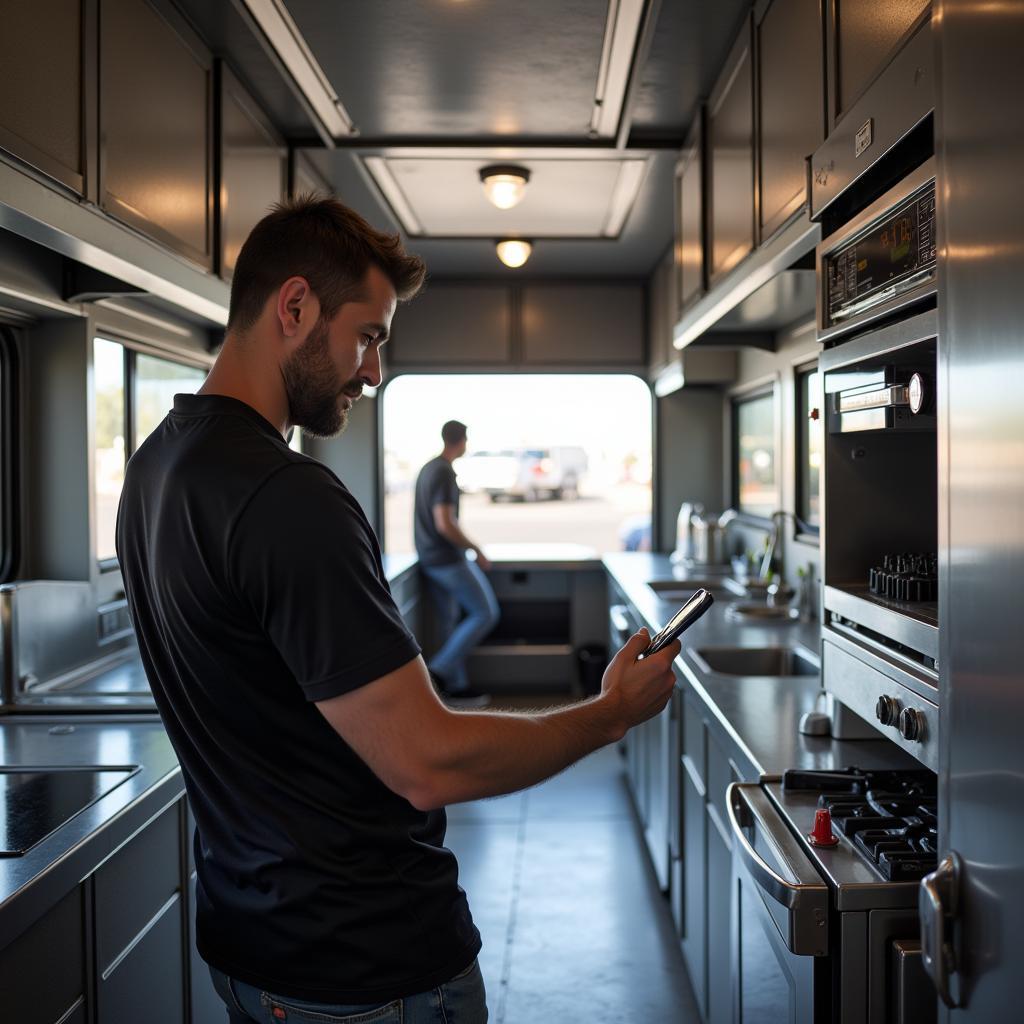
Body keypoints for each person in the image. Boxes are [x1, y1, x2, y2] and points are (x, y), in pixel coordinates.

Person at [116, 195, 680, 1024]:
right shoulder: (288, 497)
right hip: (369, 968)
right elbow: (428, 764)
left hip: (253, 955)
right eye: (370, 336)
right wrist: (609, 714)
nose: (374, 372)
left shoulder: (154, 470)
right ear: (296, 306)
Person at [414, 420, 499, 707]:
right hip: (447, 559)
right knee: (485, 612)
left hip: (428, 558)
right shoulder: (444, 472)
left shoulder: (428, 468)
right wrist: (476, 548)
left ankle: (457, 688)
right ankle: (436, 673)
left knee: (448, 623)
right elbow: (445, 523)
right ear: (462, 440)